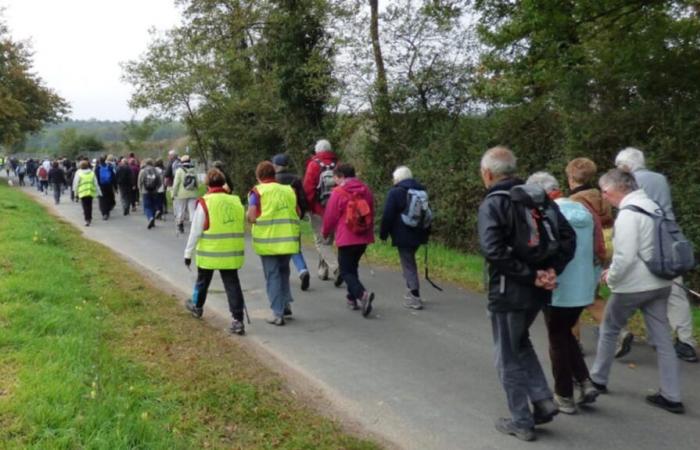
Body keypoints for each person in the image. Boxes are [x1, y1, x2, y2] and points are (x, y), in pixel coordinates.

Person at [477, 146, 576, 441]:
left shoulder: (493, 204)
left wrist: (532, 276)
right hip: (538, 292)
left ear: (488, 174)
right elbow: (568, 237)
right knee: (520, 343)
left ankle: (521, 420)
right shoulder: (538, 197)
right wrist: (551, 271)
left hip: (509, 292)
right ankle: (543, 401)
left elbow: (492, 249)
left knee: (506, 355)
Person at [590, 169, 684, 414]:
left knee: (610, 329)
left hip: (632, 286)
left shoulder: (629, 214)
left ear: (615, 189)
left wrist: (610, 277)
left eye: (605, 192)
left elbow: (624, 257)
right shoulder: (653, 206)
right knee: (663, 340)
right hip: (661, 282)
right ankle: (671, 395)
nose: (605, 197)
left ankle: (598, 379)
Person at [615, 147, 698, 363]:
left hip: (647, 239)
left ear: (625, 166)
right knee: (674, 291)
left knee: (637, 287)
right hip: (670, 236)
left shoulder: (628, 182)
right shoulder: (659, 178)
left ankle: (622, 330)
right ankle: (685, 340)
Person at [527, 172, 600, 414]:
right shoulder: (584, 212)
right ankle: (585, 382)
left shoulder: (548, 214)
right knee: (565, 334)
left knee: (557, 338)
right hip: (584, 285)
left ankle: (564, 395)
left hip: (558, 286)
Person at [184, 169, 247, 335]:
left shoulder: (205, 202)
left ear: (207, 184)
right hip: (231, 251)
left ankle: (197, 306)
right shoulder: (235, 201)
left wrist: (188, 253)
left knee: (202, 281)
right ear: (223, 182)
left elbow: (196, 230)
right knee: (232, 284)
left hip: (210, 252)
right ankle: (237, 319)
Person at [247, 161, 301, 325]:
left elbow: (252, 216)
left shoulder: (257, 192)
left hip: (268, 242)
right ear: (274, 174)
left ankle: (277, 313)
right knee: (284, 272)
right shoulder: (289, 190)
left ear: (259, 176)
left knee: (272, 275)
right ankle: (285, 305)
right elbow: (297, 211)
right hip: (288, 240)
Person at [322, 163, 376, 316]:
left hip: (346, 238)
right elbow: (371, 212)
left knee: (345, 271)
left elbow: (330, 216)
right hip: (363, 237)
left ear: (342, 176)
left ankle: (362, 295)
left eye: (335, 177)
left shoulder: (338, 192)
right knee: (352, 267)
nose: (334, 180)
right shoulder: (366, 190)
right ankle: (351, 299)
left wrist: (325, 232)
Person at [379, 166, 431, 310]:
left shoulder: (395, 192)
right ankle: (411, 291)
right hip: (419, 233)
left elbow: (388, 215)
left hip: (403, 234)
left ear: (398, 179)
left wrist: (383, 234)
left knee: (408, 264)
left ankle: (414, 296)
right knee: (409, 261)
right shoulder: (421, 191)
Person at [302, 139, 340, 282]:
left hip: (318, 209)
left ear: (317, 151)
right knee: (327, 240)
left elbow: (308, 189)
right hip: (336, 208)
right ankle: (323, 270)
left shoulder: (314, 165)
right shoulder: (338, 164)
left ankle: (336, 268)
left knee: (320, 241)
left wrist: (307, 208)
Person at [272, 153, 311, 291]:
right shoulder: (295, 179)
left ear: (276, 166)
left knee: (278, 250)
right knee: (295, 247)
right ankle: (302, 270)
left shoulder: (272, 181)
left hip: (276, 220)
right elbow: (302, 199)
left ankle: (281, 277)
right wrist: (301, 214)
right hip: (293, 218)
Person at [172, 155, 199, 234]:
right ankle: (193, 227)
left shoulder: (179, 170)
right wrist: (196, 190)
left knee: (181, 210)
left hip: (181, 194)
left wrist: (173, 194)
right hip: (193, 194)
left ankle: (180, 225)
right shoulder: (193, 170)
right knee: (192, 210)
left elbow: (176, 183)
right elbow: (197, 182)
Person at [73, 159, 101, 226]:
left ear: (80, 166)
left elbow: (76, 184)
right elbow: (96, 183)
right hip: (90, 192)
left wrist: (75, 193)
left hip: (82, 192)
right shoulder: (92, 173)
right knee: (89, 206)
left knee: (85, 206)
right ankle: (89, 217)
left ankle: (87, 219)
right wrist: (99, 192)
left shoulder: (78, 173)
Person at [137, 159, 163, 229]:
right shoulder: (156, 171)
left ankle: (150, 217)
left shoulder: (143, 171)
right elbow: (160, 182)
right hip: (154, 191)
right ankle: (153, 220)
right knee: (153, 206)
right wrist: (157, 188)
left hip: (145, 191)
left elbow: (140, 182)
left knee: (147, 207)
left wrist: (140, 190)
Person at [163, 149, 180, 214]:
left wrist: (164, 175)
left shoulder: (171, 162)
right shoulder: (180, 161)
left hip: (173, 182)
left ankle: (176, 212)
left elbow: (167, 173)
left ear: (172, 156)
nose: (168, 156)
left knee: (174, 197)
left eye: (169, 155)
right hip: (180, 182)